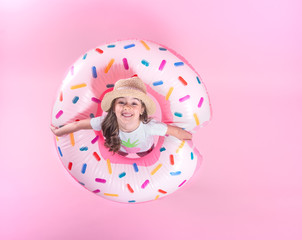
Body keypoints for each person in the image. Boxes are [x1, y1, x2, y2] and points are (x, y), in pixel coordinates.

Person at [50, 76, 192, 156]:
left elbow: (175, 131)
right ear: (113, 107)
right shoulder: (105, 122)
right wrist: (59, 131)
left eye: (134, 103)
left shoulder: (150, 127)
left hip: (145, 149)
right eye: (121, 102)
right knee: (119, 156)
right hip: (120, 149)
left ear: (142, 110)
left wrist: (192, 136)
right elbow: (78, 125)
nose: (127, 106)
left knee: (146, 158)